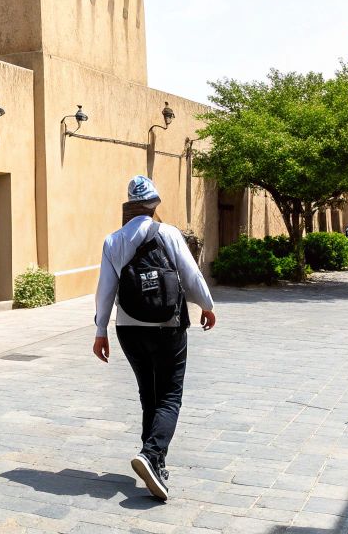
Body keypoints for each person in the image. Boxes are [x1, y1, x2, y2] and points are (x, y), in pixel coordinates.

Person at [91, 175, 216, 501]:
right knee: (170, 395)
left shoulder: (113, 241)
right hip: (168, 326)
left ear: (131, 203)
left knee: (149, 392)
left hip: (128, 330)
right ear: (154, 203)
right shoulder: (169, 234)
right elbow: (191, 276)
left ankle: (154, 463)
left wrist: (100, 330)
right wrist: (207, 306)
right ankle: (152, 454)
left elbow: (105, 291)